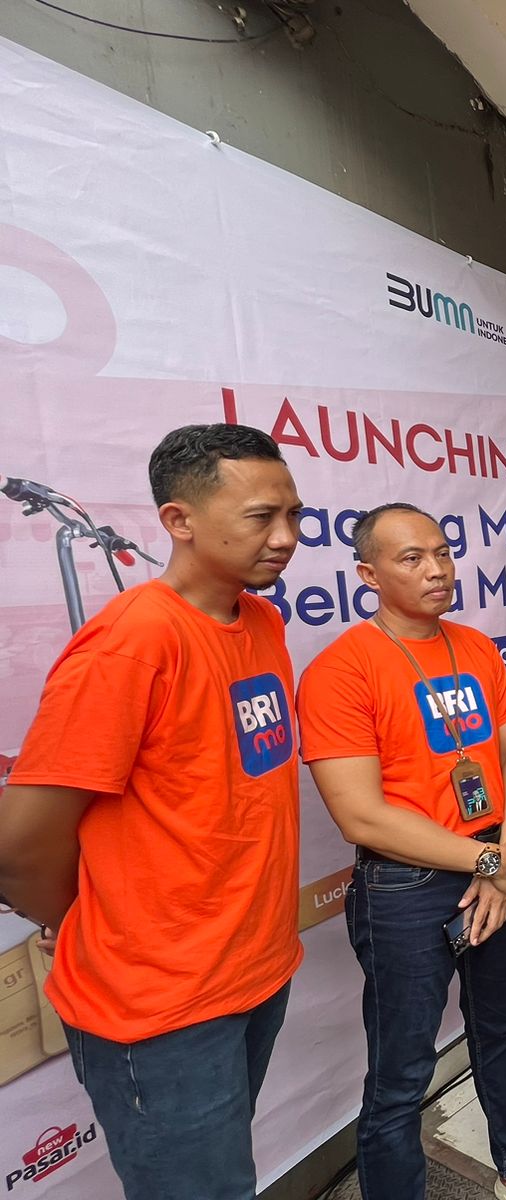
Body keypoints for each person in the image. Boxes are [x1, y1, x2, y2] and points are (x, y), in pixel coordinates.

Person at [0, 424, 303, 1200]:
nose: (285, 538)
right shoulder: (132, 643)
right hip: (162, 1009)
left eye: (293, 516)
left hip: (255, 970)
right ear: (179, 520)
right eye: (261, 517)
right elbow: (20, 846)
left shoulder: (261, 622)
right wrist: (91, 922)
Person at [297, 503, 506, 1200]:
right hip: (407, 888)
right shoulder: (341, 670)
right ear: (368, 575)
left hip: (495, 857)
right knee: (402, 1073)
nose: (436, 569)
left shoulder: (475, 646)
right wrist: (489, 864)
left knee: (498, 1022)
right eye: (411, 558)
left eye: (442, 552)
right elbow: (360, 815)